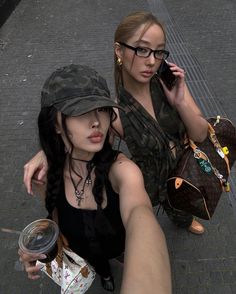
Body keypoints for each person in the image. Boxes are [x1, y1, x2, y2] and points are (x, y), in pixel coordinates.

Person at [24, 12, 208, 235]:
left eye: (158, 51)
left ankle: (183, 220)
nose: (151, 61)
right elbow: (78, 137)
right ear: (119, 50)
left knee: (181, 206)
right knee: (141, 217)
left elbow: (200, 135)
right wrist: (44, 152)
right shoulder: (112, 110)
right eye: (142, 49)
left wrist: (180, 102)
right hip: (148, 182)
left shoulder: (170, 84)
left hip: (184, 169)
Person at [19, 64, 172, 294]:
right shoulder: (47, 175)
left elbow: (140, 214)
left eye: (102, 109)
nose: (96, 121)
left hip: (116, 246)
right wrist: (39, 245)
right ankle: (106, 275)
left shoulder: (122, 170)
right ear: (56, 124)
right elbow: (55, 220)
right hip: (84, 253)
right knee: (102, 269)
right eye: (80, 112)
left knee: (117, 254)